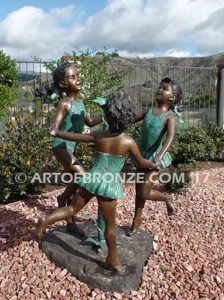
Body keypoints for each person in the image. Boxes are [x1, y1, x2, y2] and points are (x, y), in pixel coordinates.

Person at [33, 93, 157, 272]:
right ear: (128, 118)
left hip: (91, 180)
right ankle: (113, 260)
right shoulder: (128, 142)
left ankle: (45, 220)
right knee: (110, 228)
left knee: (72, 209)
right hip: (108, 185)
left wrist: (57, 132)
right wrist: (152, 164)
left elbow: (75, 138)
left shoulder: (99, 135)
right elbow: (140, 163)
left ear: (106, 117)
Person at [50, 62, 102, 234]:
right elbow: (55, 127)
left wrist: (106, 113)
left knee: (76, 178)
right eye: (73, 77)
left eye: (78, 76)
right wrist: (53, 130)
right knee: (82, 176)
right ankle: (67, 204)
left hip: (71, 147)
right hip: (61, 147)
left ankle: (64, 204)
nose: (78, 79)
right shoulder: (64, 104)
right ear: (64, 84)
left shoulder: (80, 103)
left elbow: (90, 122)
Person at [128, 77, 183, 236]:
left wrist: (160, 155)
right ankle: (136, 221)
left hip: (154, 160)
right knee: (139, 193)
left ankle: (167, 198)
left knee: (145, 192)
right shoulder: (148, 111)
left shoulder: (169, 117)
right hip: (141, 157)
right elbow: (130, 119)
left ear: (172, 97)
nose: (159, 89)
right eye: (159, 87)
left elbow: (170, 137)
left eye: (164, 88)